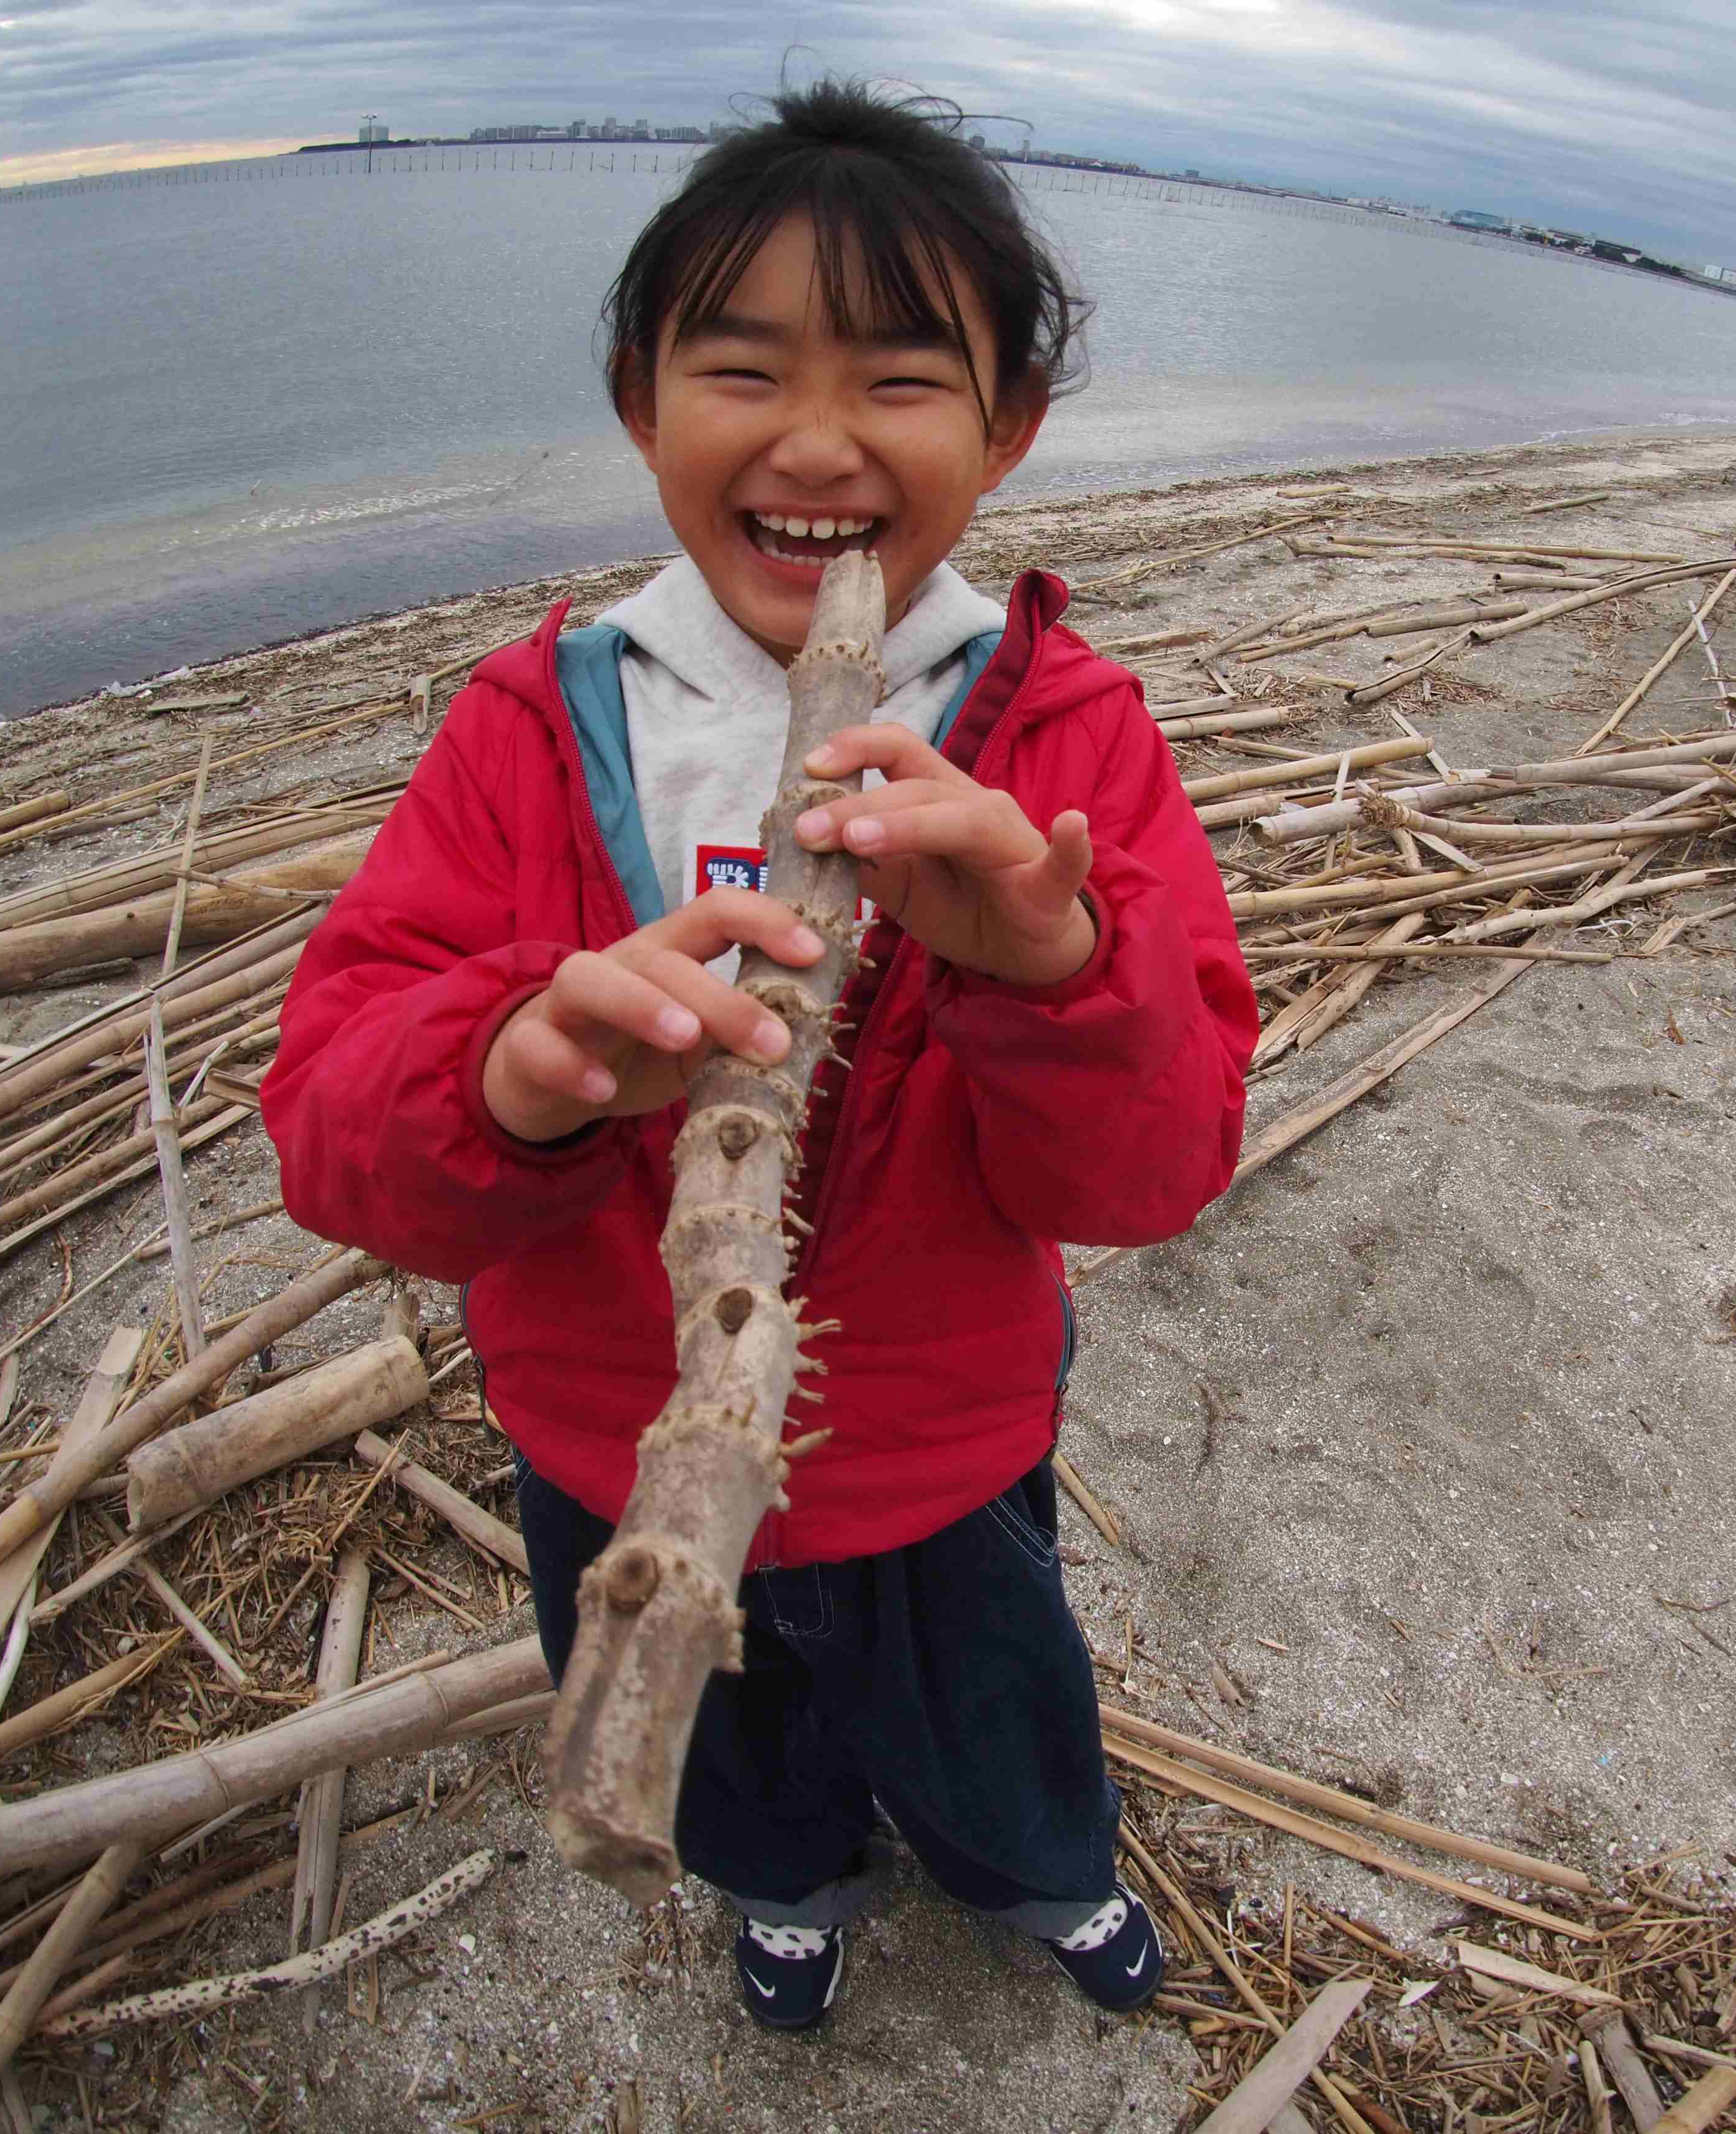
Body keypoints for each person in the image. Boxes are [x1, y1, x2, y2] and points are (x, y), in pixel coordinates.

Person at [262, 79, 1257, 2035]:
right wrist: (514, 1076)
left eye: (901, 379)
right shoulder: (536, 728)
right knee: (728, 1744)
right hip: (607, 1440)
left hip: (939, 1443)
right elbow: (327, 1134)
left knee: (990, 1715)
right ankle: (784, 1885)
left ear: (1012, 426)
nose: (817, 444)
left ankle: (1035, 1876)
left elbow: (1154, 1176)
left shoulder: (1059, 738)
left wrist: (1053, 961)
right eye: (741, 370)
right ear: (641, 402)